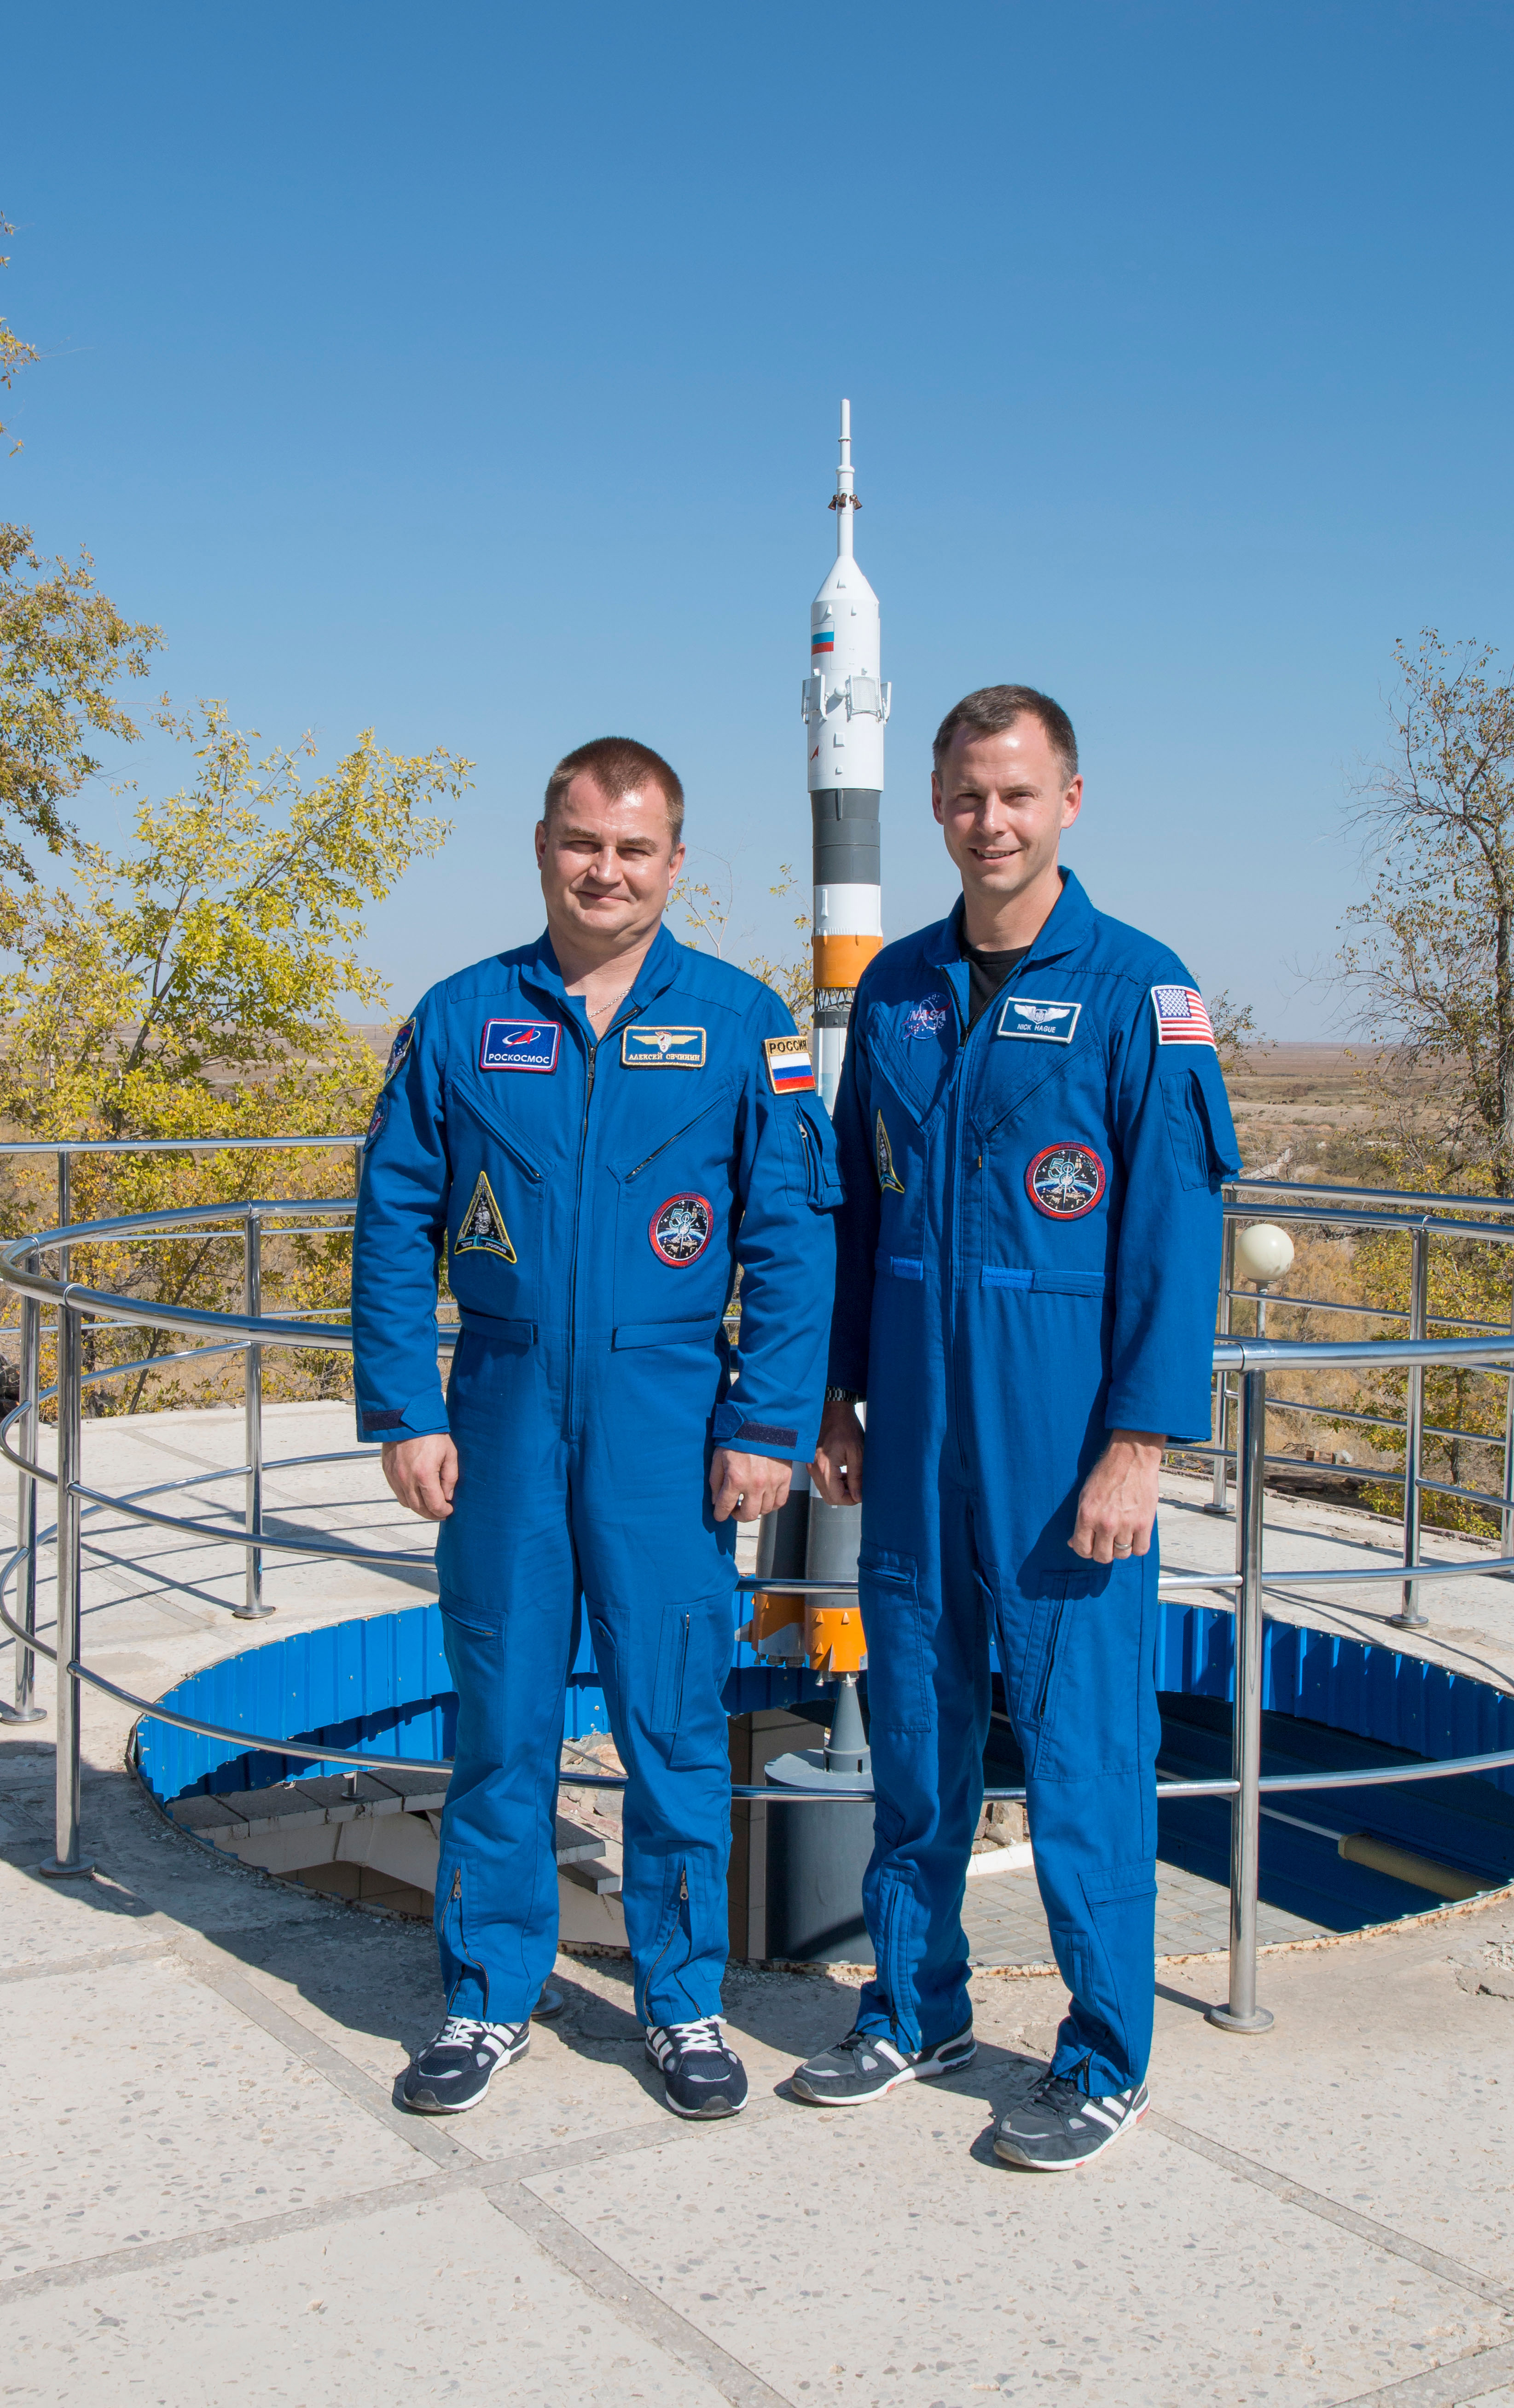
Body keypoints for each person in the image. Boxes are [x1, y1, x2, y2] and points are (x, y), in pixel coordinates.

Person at [353, 737, 839, 2120]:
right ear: (543, 847)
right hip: (503, 1411)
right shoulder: (462, 1017)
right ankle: (488, 1994)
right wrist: (405, 1405)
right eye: (582, 842)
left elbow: (793, 1240)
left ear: (676, 863)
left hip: (668, 1420)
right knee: (502, 1721)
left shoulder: (744, 1024)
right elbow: (391, 1218)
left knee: (672, 1727)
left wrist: (767, 1422)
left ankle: (683, 2005)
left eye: (634, 849)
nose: (605, 871)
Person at [796, 685, 1239, 2169]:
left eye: (1019, 794)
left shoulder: (1140, 990)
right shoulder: (900, 989)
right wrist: (838, 1391)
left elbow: (1175, 1236)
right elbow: (856, 1208)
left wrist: (1139, 1445)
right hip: (916, 1431)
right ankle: (914, 2008)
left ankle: (1106, 2055)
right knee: (916, 1734)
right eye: (969, 796)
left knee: (1082, 1748)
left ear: (1069, 803)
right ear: (936, 807)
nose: (993, 821)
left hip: (1067, 1447)